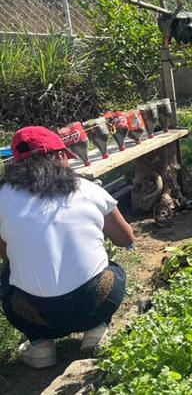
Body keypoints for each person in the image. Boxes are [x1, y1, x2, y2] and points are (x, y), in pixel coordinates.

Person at [0, 126, 134, 368]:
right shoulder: (88, 189)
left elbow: (5, 253)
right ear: (60, 155)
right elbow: (126, 239)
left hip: (36, 316)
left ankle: (40, 345)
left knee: (8, 275)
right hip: (94, 303)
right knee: (113, 270)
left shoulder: (3, 196)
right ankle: (96, 328)